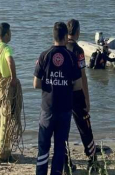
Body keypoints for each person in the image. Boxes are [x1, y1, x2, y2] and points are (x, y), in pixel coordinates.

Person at [33, 22, 82, 175]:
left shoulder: (44, 55)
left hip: (47, 109)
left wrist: (50, 84)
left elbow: (36, 83)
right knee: (59, 147)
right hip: (65, 110)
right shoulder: (71, 57)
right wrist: (64, 86)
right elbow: (78, 85)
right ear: (66, 37)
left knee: (43, 147)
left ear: (53, 36)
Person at [66, 19, 98, 171]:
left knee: (63, 129)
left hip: (62, 94)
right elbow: (83, 75)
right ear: (77, 32)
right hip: (76, 93)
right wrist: (87, 98)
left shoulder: (60, 46)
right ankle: (92, 159)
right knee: (85, 127)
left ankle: (66, 162)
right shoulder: (78, 50)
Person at [0, 22, 22, 164]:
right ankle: (2, 154)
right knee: (7, 120)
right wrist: (14, 78)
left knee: (0, 120)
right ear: (6, 34)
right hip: (7, 87)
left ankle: (3, 151)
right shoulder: (6, 48)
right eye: (10, 32)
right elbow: (10, 60)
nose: (11, 34)